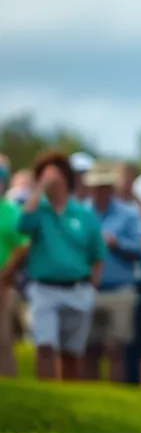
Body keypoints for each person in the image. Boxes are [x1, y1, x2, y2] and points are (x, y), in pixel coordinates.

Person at [18, 151, 107, 380]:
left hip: (77, 289)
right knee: (45, 346)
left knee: (71, 353)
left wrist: (92, 286)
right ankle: (45, 395)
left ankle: (67, 398)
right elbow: (22, 225)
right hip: (44, 289)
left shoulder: (83, 214)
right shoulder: (37, 211)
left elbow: (98, 254)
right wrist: (39, 188)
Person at [83, 161, 141, 383]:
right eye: (97, 186)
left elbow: (140, 249)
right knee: (89, 347)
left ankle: (114, 393)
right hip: (88, 288)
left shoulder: (128, 214)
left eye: (105, 186)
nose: (101, 191)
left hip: (120, 289)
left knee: (114, 348)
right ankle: (89, 394)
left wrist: (116, 243)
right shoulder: (82, 213)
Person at [0, 154, 30, 377]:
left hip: (6, 285)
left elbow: (23, 247)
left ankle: (8, 381)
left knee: (3, 339)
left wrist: (4, 274)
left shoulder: (12, 212)